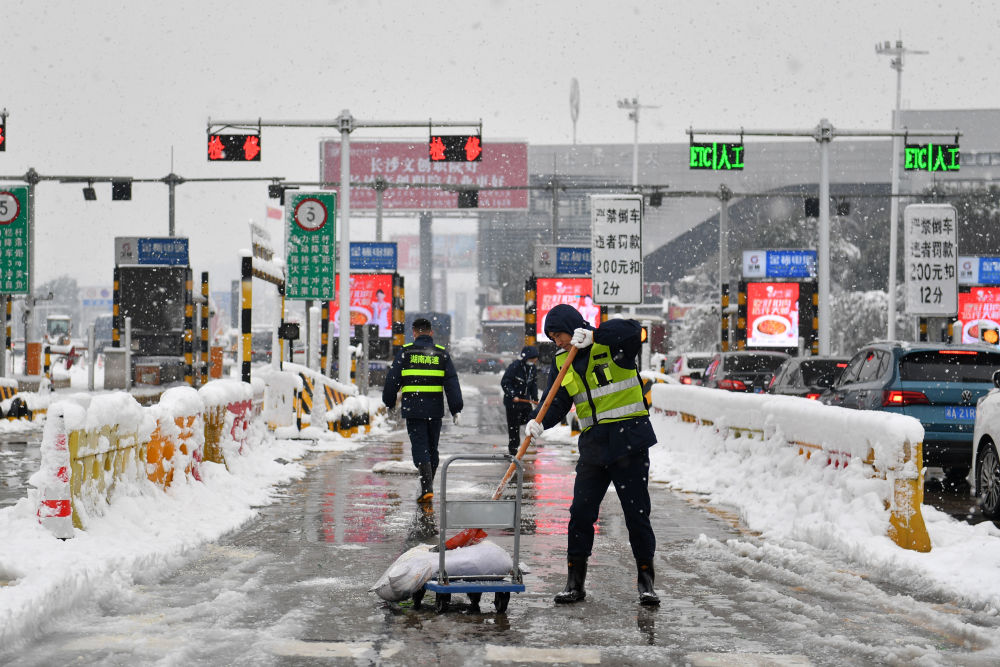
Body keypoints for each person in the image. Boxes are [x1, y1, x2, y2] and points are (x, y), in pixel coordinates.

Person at [526, 304, 659, 606]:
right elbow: (555, 401)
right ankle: (575, 583)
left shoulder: (611, 343)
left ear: (572, 328)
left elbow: (634, 330)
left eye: (558, 334)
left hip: (629, 443)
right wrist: (538, 421)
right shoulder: (563, 359)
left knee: (636, 515)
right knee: (580, 515)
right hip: (595, 449)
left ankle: (646, 582)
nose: (556, 342)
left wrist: (595, 333)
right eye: (551, 337)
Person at [382, 318, 463, 503]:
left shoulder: (406, 352)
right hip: (434, 411)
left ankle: (426, 487)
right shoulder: (441, 354)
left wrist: (389, 402)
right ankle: (428, 486)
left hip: (414, 409)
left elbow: (392, 379)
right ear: (431, 332)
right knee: (432, 448)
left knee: (420, 446)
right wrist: (456, 408)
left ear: (414, 332)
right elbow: (451, 382)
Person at [500, 345, 539, 456]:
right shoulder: (515, 367)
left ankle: (529, 442)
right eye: (532, 359)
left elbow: (533, 385)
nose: (534, 361)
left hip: (525, 402)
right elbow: (505, 382)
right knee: (514, 428)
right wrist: (513, 395)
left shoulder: (532, 368)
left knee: (531, 420)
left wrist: (535, 398)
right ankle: (513, 450)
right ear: (526, 358)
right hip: (513, 402)